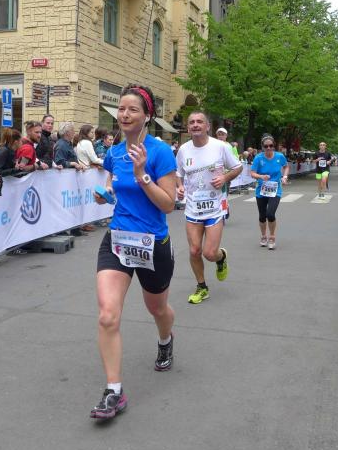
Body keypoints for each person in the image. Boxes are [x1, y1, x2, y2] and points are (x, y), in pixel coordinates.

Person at [90, 84, 177, 420]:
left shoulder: (160, 152)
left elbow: (167, 204)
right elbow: (113, 185)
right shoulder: (114, 152)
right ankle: (114, 391)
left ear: (147, 116)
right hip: (118, 238)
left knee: (157, 308)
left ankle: (166, 340)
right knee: (107, 315)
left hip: (152, 242)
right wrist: (106, 194)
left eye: (132, 110)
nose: (124, 115)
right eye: (121, 109)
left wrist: (142, 176)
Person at [176, 111, 242, 304]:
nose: (195, 125)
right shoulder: (183, 150)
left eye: (199, 121)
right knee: (194, 251)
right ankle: (202, 287)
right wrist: (179, 187)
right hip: (193, 208)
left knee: (209, 253)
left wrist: (224, 177)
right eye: (192, 122)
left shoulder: (221, 147)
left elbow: (237, 167)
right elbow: (178, 173)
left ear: (207, 126)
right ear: (188, 127)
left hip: (214, 208)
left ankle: (221, 257)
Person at [249, 134, 289, 250]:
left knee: (270, 214)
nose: (268, 148)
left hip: (275, 189)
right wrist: (261, 176)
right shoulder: (258, 158)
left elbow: (286, 167)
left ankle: (272, 236)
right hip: (261, 190)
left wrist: (285, 177)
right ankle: (263, 236)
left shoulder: (279, 156)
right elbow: (252, 173)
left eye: (271, 146)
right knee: (262, 216)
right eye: (266, 146)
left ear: (273, 146)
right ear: (262, 147)